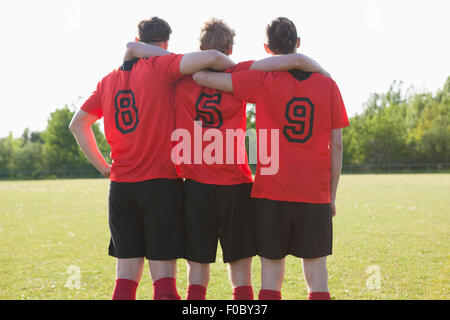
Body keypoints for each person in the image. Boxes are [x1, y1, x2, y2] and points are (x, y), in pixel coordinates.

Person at [125, 18, 330, 300]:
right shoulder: (240, 72)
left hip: (196, 185)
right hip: (236, 184)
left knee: (198, 266)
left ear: (200, 48)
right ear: (230, 48)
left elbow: (144, 53)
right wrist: (318, 69)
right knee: (240, 266)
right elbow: (285, 63)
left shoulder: (182, 76)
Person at [69, 16, 235, 300]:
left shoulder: (109, 80)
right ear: (165, 43)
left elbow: (77, 124)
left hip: (120, 187)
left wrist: (104, 168)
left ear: (139, 39)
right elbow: (212, 56)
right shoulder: (161, 67)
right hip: (160, 184)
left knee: (124, 282)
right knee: (165, 286)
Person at [193, 17, 349, 300]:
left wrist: (203, 75)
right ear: (298, 43)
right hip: (314, 193)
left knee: (271, 277)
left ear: (267, 47)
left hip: (271, 191)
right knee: (317, 276)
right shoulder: (328, 85)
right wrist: (332, 195)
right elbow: (336, 146)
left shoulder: (262, 80)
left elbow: (205, 78)